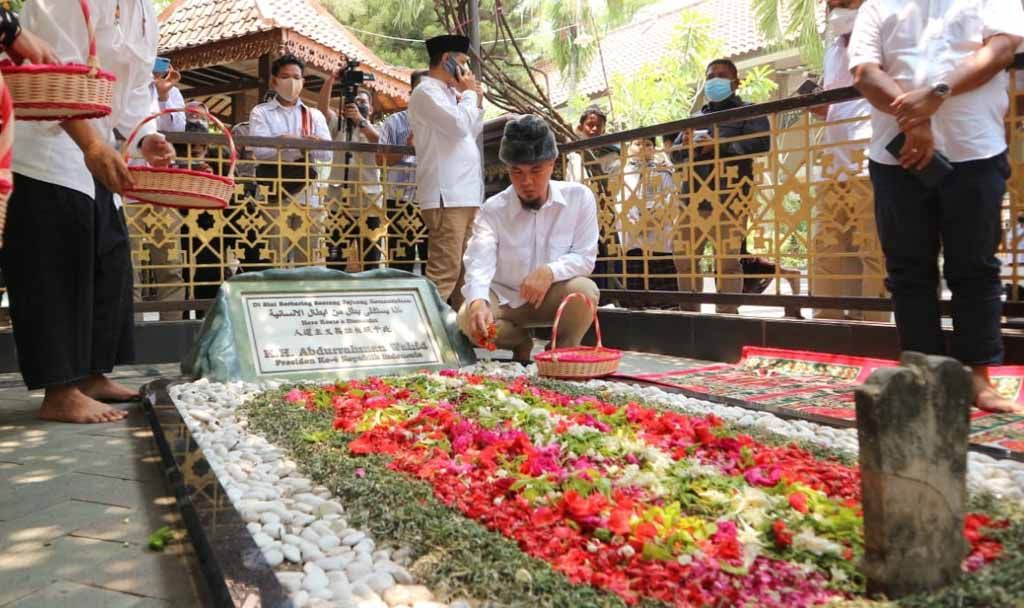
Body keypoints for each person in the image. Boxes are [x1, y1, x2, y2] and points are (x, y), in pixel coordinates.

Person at [2, 0, 176, 423]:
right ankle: (60, 390)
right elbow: (49, 69)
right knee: (55, 268)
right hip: (46, 139)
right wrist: (91, 144)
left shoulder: (144, 11)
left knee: (107, 258)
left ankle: (93, 375)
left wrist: (144, 138)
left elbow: (135, 91)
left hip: (97, 147)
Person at [849, 0, 1024, 412]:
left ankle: (978, 380)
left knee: (975, 267)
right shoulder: (877, 5)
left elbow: (1001, 49)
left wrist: (936, 94)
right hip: (897, 160)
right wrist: (915, 118)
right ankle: (924, 377)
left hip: (974, 149)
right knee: (908, 272)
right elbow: (864, 70)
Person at [458, 115, 600, 363]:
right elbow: (479, 260)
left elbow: (585, 258)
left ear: (552, 164)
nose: (526, 182)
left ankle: (561, 350)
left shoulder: (579, 197)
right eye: (517, 171)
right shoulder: (493, 209)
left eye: (536, 170)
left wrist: (550, 271)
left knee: (585, 291)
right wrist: (478, 301)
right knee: (467, 319)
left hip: (552, 295)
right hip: (505, 300)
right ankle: (519, 340)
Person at [671, 58, 772, 314]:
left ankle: (727, 315)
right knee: (685, 258)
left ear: (735, 82)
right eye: (710, 76)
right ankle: (689, 313)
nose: (714, 80)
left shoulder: (749, 111)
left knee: (727, 261)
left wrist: (720, 146)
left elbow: (760, 144)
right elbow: (675, 155)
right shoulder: (694, 118)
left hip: (730, 197)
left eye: (721, 75)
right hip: (692, 197)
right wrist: (687, 148)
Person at [810, 0, 887, 322]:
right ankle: (827, 320)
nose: (835, 7)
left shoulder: (883, 36)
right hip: (833, 160)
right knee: (828, 244)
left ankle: (873, 322)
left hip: (869, 154)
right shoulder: (832, 50)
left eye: (844, 1)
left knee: (871, 244)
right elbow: (839, 106)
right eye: (831, 3)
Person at [408, 34, 484, 309]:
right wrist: (470, 95)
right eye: (462, 63)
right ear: (446, 60)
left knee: (467, 274)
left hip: (464, 195)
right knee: (444, 274)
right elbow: (458, 127)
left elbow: (470, 132)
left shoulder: (452, 94)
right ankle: (428, 337)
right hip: (446, 196)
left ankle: (463, 336)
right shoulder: (425, 92)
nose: (466, 71)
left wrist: (474, 99)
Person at [249, 54, 333, 265]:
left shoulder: (314, 115)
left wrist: (285, 142)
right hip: (274, 191)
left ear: (303, 81)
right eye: (286, 76)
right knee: (275, 255)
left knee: (309, 256)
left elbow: (327, 154)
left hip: (308, 193)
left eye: (297, 77)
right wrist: (297, 142)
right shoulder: (261, 112)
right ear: (274, 81)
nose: (292, 82)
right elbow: (260, 151)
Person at [319, 81, 383, 271]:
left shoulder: (378, 127)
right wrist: (331, 79)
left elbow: (379, 141)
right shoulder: (338, 126)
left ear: (370, 108)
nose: (357, 105)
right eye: (354, 102)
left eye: (362, 102)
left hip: (369, 204)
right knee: (335, 260)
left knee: (370, 260)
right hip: (339, 203)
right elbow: (322, 108)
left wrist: (360, 122)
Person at [564, 105, 623, 292]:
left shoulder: (612, 154)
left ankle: (612, 295)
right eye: (590, 125)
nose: (594, 129)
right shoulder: (573, 154)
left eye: (599, 125)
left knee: (608, 254)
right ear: (580, 128)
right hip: (578, 214)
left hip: (604, 212)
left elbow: (613, 184)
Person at [377, 69, 429, 274]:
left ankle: (433, 304)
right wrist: (407, 148)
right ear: (412, 92)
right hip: (398, 200)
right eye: (422, 90)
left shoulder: (443, 125)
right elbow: (379, 161)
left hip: (430, 200)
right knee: (400, 262)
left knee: (431, 259)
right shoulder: (393, 123)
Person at [618, 137, 678, 292]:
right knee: (637, 293)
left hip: (658, 239)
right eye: (637, 144)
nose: (642, 147)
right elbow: (619, 203)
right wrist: (634, 225)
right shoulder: (622, 174)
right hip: (633, 240)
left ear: (654, 148)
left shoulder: (663, 172)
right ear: (629, 148)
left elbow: (668, 201)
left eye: (648, 144)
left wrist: (649, 223)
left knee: (663, 292)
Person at [152, 58, 185, 133]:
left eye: (156, 72)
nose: (153, 76)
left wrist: (163, 97)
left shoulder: (173, 91)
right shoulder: (131, 88)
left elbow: (178, 129)